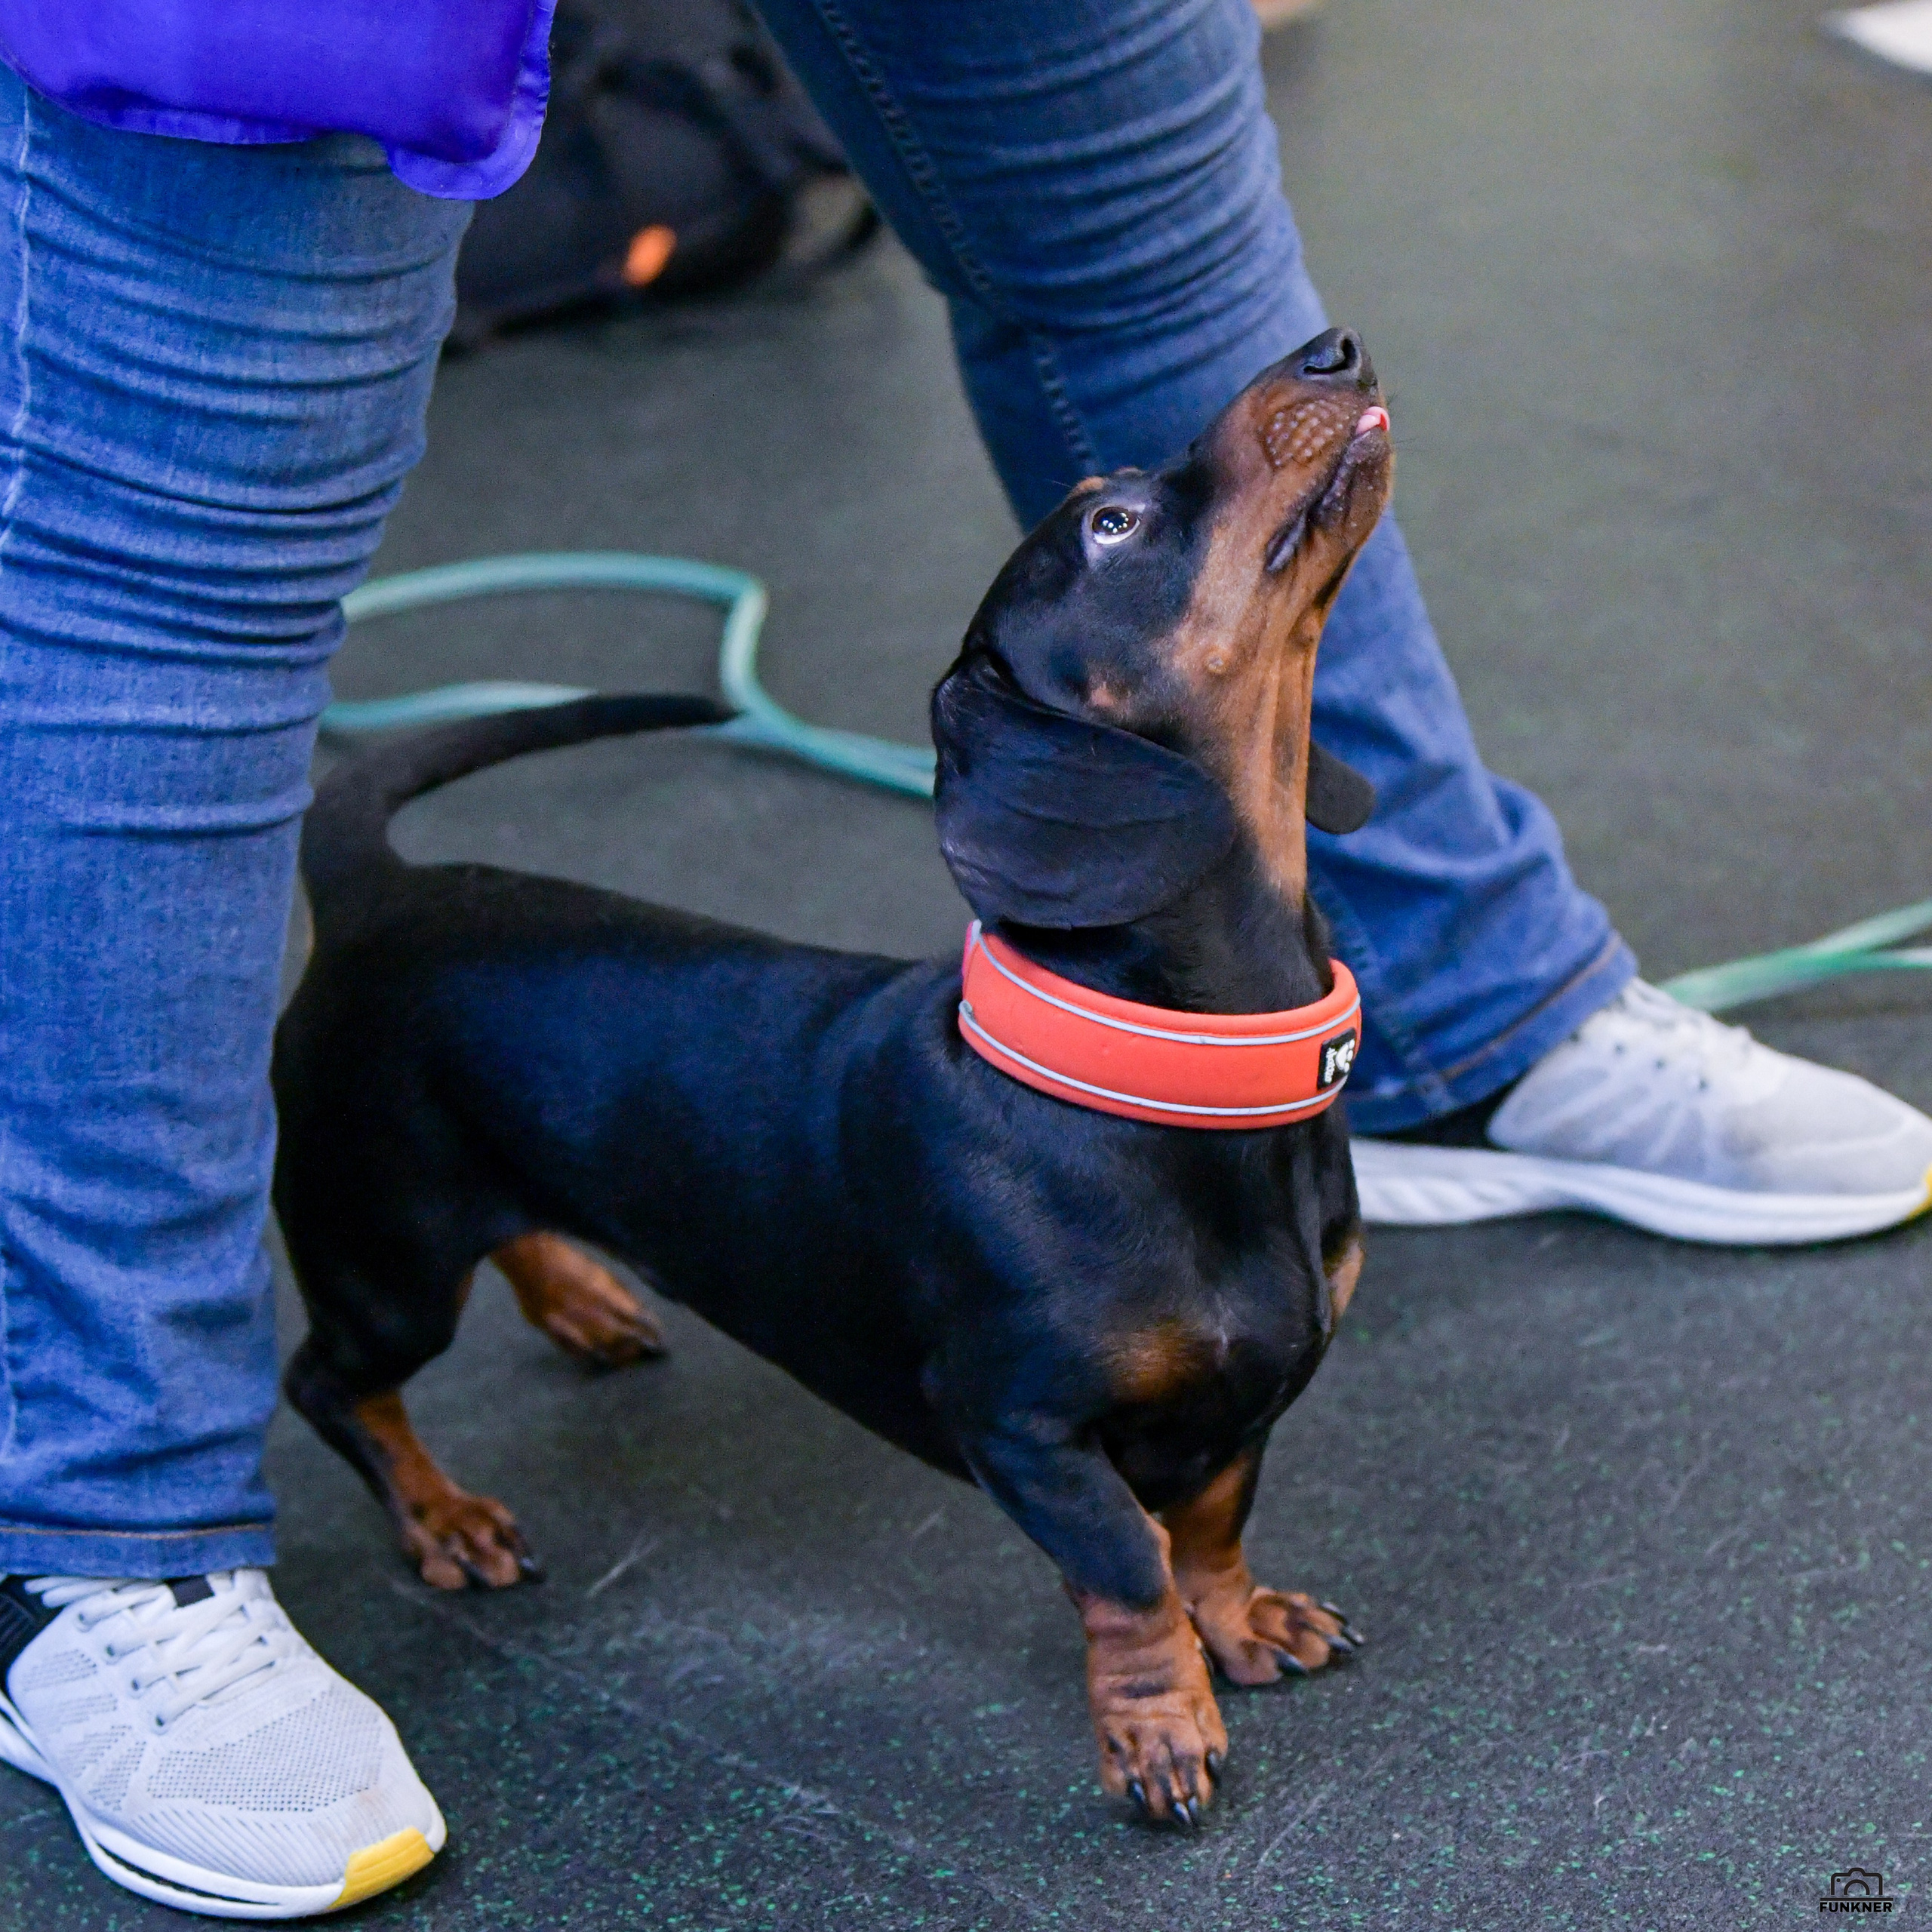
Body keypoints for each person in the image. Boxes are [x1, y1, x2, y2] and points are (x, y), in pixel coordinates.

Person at [0, 0, 1924, 1915]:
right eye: (1123, 528)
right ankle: (103, 1515)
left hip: (1197, 1097)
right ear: (1062, 743)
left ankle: (1476, 1016)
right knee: (176, 510)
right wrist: (1140, 1631)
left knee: (1141, 244)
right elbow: (1024, 1409)